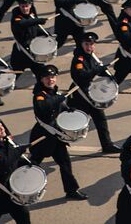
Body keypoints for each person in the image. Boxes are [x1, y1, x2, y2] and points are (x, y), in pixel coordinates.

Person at [27, 64, 87, 200]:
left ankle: (71, 191)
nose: (50, 80)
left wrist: (68, 109)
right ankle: (21, 184)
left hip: (56, 138)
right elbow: (44, 107)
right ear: (41, 79)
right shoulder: (39, 95)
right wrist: (59, 99)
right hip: (42, 137)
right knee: (31, 164)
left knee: (65, 164)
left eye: (53, 77)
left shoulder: (55, 92)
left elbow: (60, 106)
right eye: (47, 78)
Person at [70, 32, 119, 153]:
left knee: (100, 120)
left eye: (91, 44)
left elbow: (98, 70)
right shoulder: (79, 60)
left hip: (90, 94)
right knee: (73, 122)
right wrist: (97, 70)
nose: (89, 47)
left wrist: (109, 76)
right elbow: (81, 76)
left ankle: (107, 145)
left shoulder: (91, 56)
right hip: (79, 96)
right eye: (86, 44)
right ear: (81, 44)